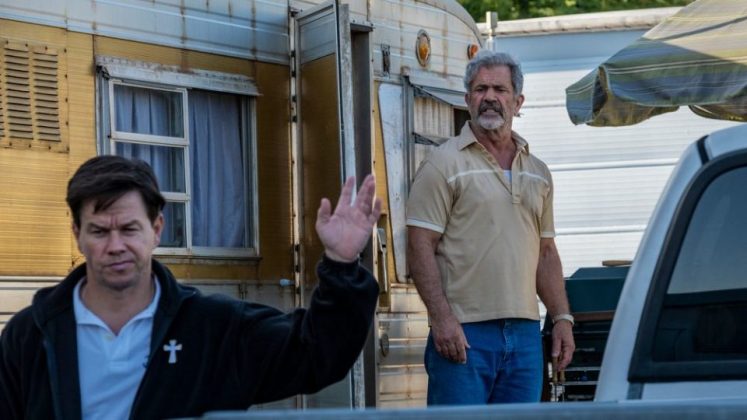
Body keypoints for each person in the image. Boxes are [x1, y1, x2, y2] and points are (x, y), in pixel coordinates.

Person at [0, 155, 382, 419]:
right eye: (99, 231)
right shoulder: (30, 335)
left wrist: (342, 265)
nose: (115, 245)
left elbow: (314, 355)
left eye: (129, 229)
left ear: (157, 230)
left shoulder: (211, 327)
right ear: (77, 235)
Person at [406, 50, 575, 405]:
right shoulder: (443, 163)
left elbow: (546, 253)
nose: (490, 98)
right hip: (464, 333)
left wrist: (562, 318)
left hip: (526, 334)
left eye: (500, 89)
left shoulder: (538, 171)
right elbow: (420, 244)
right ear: (468, 99)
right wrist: (441, 319)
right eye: (480, 89)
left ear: (518, 101)